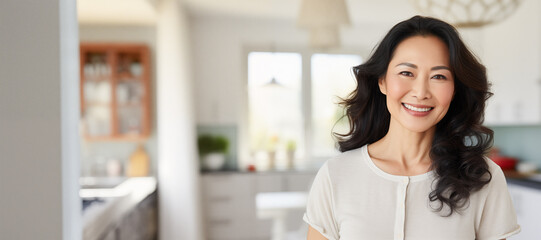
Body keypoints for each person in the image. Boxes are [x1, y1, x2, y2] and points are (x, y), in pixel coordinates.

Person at [303, 15, 521, 240]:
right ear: (382, 81)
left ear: (455, 90)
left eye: (439, 76)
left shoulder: (483, 178)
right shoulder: (336, 175)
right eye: (407, 73)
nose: (421, 92)